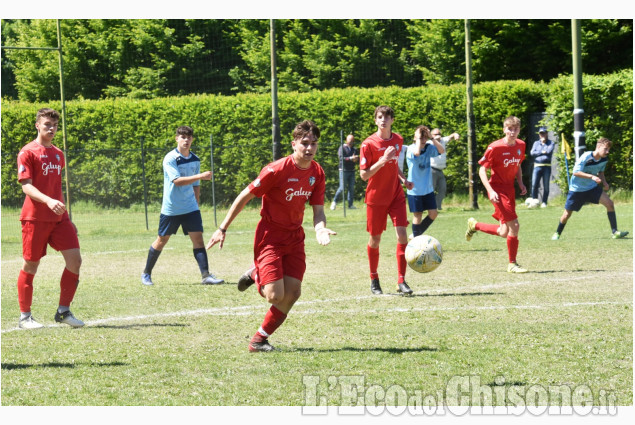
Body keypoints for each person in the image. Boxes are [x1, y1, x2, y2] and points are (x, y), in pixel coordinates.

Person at [206, 120, 336, 352]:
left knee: (293, 293)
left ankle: (258, 340)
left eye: (314, 144)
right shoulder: (276, 170)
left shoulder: (317, 172)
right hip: (271, 236)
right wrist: (222, 228)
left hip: (295, 237)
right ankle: (256, 272)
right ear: (293, 144)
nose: (309, 148)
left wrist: (320, 228)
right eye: (304, 143)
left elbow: (318, 211)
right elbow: (245, 195)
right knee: (275, 296)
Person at [16, 108, 84, 329]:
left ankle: (63, 312)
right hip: (35, 219)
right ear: (37, 125)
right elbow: (27, 186)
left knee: (75, 260)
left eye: (54, 125)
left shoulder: (58, 154)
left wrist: (66, 215)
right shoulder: (27, 152)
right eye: (47, 124)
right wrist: (48, 201)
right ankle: (25, 317)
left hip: (59, 219)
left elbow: (57, 188)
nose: (51, 128)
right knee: (31, 265)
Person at [141, 126, 224, 286]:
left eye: (189, 137)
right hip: (171, 209)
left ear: (192, 139)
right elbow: (177, 181)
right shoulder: (170, 158)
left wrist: (196, 204)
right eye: (183, 137)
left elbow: (196, 185)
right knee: (161, 240)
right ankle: (146, 274)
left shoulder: (195, 159)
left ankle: (206, 276)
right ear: (176, 138)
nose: (186, 140)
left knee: (198, 240)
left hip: (190, 208)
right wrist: (200, 175)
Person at [359, 105, 414, 295]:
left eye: (387, 117)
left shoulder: (398, 140)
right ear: (375, 120)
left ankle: (401, 280)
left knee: (402, 236)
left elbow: (394, 165)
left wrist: (403, 179)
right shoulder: (368, 144)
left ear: (392, 120)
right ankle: (374, 279)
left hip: (396, 195)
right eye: (380, 117)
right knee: (375, 239)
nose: (383, 120)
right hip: (376, 199)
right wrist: (382, 160)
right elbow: (364, 175)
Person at [465, 115, 528, 273]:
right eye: (509, 129)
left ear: (519, 130)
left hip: (510, 189)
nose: (512, 132)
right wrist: (490, 190)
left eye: (515, 129)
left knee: (504, 232)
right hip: (498, 190)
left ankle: (475, 225)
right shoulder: (495, 147)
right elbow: (481, 169)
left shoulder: (521, 145)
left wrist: (520, 182)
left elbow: (518, 165)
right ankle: (512, 264)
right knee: (515, 226)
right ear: (504, 129)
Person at [551, 137, 628, 240]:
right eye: (605, 149)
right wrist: (591, 176)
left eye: (608, 149)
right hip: (577, 189)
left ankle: (615, 232)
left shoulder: (604, 159)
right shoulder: (586, 156)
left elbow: (601, 172)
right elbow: (576, 172)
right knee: (567, 214)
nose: (607, 152)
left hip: (591, 188)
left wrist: (604, 182)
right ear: (598, 147)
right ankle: (557, 233)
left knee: (610, 204)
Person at [406, 125, 445, 239]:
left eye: (424, 137)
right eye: (420, 137)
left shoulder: (429, 147)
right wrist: (418, 137)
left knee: (433, 214)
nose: (423, 140)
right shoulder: (411, 148)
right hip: (415, 190)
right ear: (415, 138)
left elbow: (441, 150)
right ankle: (416, 241)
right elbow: (417, 153)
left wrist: (432, 138)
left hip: (427, 189)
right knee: (418, 215)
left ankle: (416, 235)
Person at [429, 128, 460, 210]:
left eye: (439, 134)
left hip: (440, 170)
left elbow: (452, 135)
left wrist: (455, 134)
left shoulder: (443, 140)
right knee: (430, 190)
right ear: (431, 135)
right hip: (431, 169)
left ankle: (437, 206)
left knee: (443, 189)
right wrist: (434, 139)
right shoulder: (429, 143)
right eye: (436, 134)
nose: (438, 136)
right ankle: (429, 207)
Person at [330, 134, 358, 210]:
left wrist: (356, 159)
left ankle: (350, 205)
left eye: (352, 141)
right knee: (342, 188)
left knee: (351, 188)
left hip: (352, 171)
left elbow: (356, 158)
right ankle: (334, 202)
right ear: (346, 140)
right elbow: (341, 158)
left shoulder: (354, 149)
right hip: (343, 170)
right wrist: (351, 158)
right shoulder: (342, 148)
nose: (351, 142)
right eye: (350, 141)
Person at [529, 126, 555, 208]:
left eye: (544, 133)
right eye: (541, 133)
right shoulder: (536, 143)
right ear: (539, 135)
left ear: (547, 133)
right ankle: (534, 201)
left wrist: (539, 152)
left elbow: (549, 151)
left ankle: (544, 202)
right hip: (537, 166)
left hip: (546, 167)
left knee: (546, 185)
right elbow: (532, 153)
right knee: (534, 184)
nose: (542, 135)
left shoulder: (551, 143)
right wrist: (542, 151)